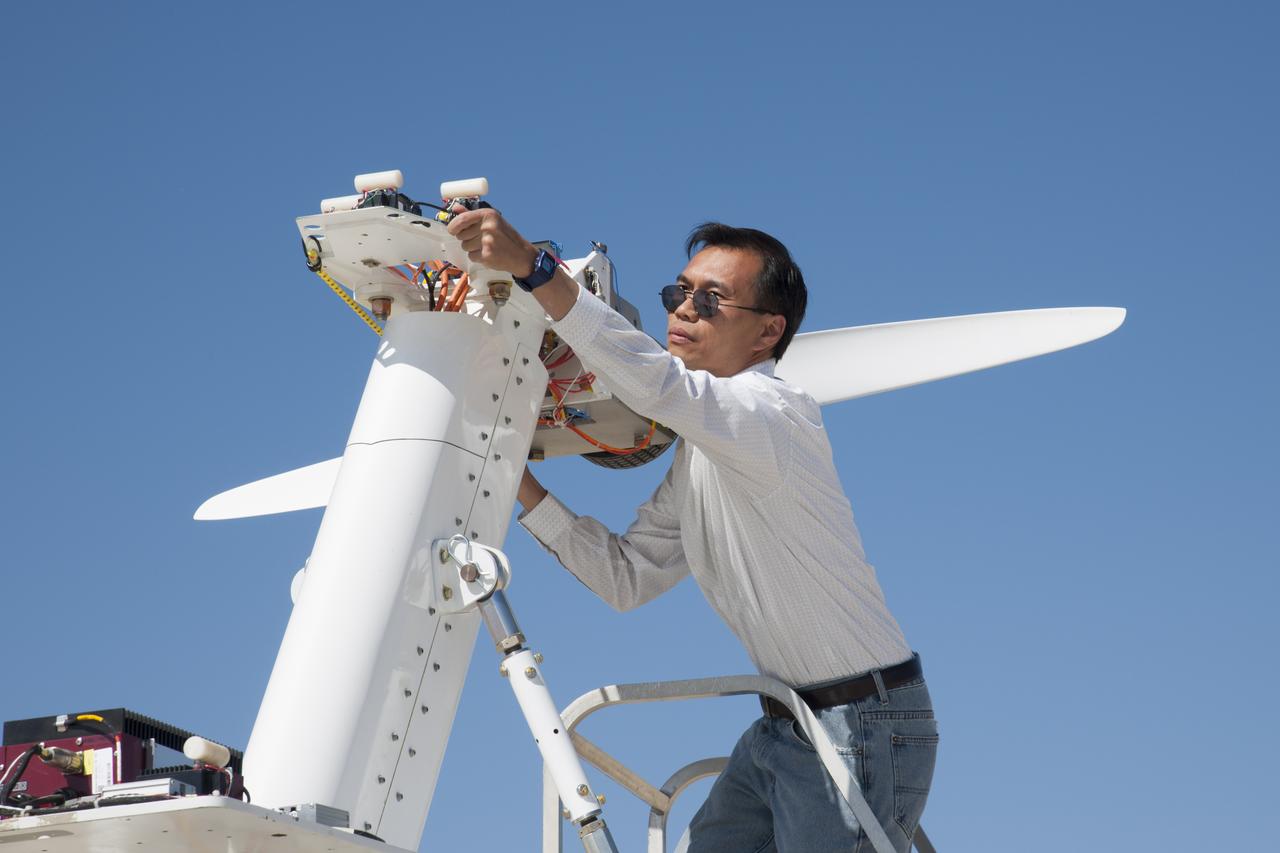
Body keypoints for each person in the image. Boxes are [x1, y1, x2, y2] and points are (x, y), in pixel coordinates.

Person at [447, 207, 937, 852]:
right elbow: (626, 579)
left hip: (862, 722)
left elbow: (658, 386)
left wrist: (537, 273)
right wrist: (521, 482)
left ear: (768, 333)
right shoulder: (703, 456)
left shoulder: (772, 413)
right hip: (784, 720)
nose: (684, 310)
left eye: (712, 299)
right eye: (679, 292)